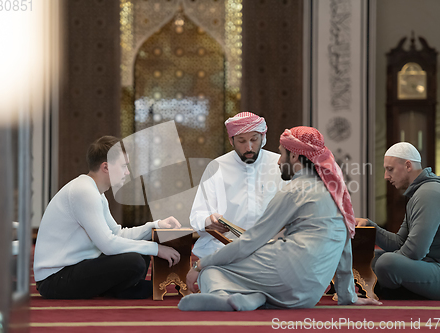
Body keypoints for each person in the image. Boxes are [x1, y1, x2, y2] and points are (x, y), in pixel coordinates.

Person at [178, 126, 382, 311]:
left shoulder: (295, 190)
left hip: (287, 272)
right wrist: (348, 296)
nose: (277, 160)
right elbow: (345, 246)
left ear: (294, 156)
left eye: (281, 153)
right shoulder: (335, 190)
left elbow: (250, 241)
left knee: (213, 269)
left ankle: (219, 295)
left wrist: (200, 265)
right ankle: (251, 299)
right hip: (310, 294)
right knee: (248, 269)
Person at [33, 136, 182, 299]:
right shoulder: (84, 192)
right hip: (55, 279)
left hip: (73, 268)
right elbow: (108, 245)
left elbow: (118, 234)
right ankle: (121, 290)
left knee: (139, 252)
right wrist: (157, 249)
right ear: (106, 167)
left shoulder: (95, 192)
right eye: (124, 166)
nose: (127, 172)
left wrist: (156, 225)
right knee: (135, 261)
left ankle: (121, 290)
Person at [357, 142, 440, 300]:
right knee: (374, 259)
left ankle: (389, 289)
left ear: (408, 165)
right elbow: (401, 242)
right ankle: (389, 286)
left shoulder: (429, 194)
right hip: (439, 268)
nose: (386, 176)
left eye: (390, 169)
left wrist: (386, 266)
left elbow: (414, 252)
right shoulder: (421, 193)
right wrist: (370, 226)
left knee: (385, 263)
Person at [190, 112, 286, 258]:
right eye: (241, 141)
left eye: (254, 139)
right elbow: (197, 214)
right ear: (231, 140)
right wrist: (209, 221)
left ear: (263, 137)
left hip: (271, 249)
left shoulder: (280, 164)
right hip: (225, 247)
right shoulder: (216, 167)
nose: (249, 147)